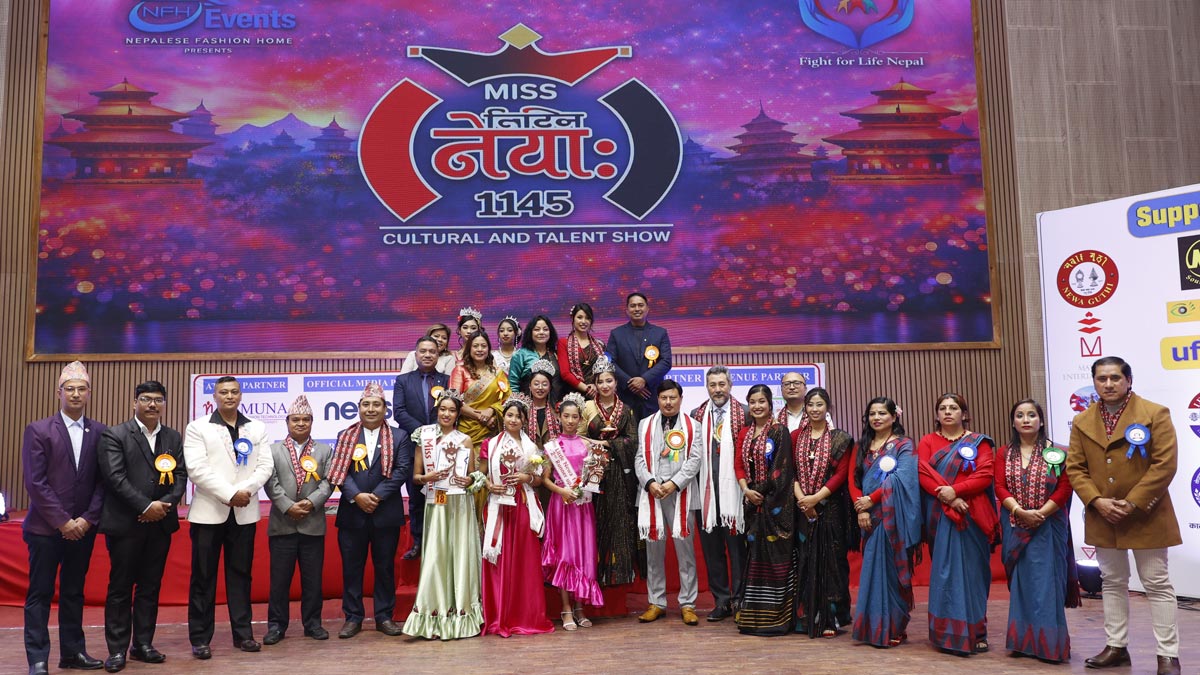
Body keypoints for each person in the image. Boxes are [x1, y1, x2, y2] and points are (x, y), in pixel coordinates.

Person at [1065, 356, 1182, 675]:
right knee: (1112, 582)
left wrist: (1132, 503)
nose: (1108, 384)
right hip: (1103, 515)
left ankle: (1167, 655)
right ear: (1095, 382)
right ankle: (1116, 647)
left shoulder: (1154, 413)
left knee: (1156, 583)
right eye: (1102, 379)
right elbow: (1075, 468)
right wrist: (1096, 500)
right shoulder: (1082, 420)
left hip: (1147, 514)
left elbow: (1164, 465)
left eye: (1115, 378)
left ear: (1129, 380)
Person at [22, 361, 107, 675]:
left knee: (73, 592)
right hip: (45, 530)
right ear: (59, 393)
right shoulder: (39, 430)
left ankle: (72, 653)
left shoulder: (99, 432)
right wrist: (63, 521)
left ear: (88, 393)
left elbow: (103, 483)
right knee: (40, 593)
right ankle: (38, 658)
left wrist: (86, 520)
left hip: (83, 529)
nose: (75, 394)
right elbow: (35, 482)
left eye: (81, 389)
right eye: (69, 389)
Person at [96, 380, 185, 672]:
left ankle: (143, 644)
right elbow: (115, 478)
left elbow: (181, 476)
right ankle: (118, 650)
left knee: (150, 587)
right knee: (121, 588)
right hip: (126, 524)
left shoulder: (172, 437)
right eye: (146, 399)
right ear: (134, 402)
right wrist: (146, 507)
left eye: (158, 400)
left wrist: (163, 507)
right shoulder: (116, 435)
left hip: (159, 525)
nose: (152, 404)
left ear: (164, 404)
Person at [183, 376, 274, 659]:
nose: (230, 396)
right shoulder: (198, 427)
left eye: (234, 392)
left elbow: (265, 465)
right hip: (209, 513)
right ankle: (200, 639)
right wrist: (229, 493)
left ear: (241, 395)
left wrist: (244, 491)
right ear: (215, 395)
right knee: (203, 578)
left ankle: (243, 635)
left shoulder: (256, 427)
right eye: (224, 392)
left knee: (241, 576)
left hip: (245, 511)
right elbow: (196, 469)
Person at [995, 399, 1078, 663]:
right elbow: (999, 486)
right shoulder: (1003, 454)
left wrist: (1042, 513)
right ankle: (1022, 642)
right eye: (1020, 415)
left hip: (1048, 526)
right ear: (1013, 422)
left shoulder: (1058, 452)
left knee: (1047, 584)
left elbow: (1066, 487)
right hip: (1015, 525)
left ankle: (1049, 646)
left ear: (1041, 421)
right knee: (1022, 584)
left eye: (1032, 415)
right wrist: (1020, 511)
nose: (1026, 419)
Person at [328, 383, 412, 639]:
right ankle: (353, 618)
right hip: (353, 513)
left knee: (384, 567)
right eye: (366, 404)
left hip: (385, 513)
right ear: (359, 408)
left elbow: (401, 471)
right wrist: (357, 496)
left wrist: (375, 496)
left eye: (377, 404)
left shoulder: (400, 437)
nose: (371, 409)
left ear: (385, 409)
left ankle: (384, 616)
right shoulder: (345, 435)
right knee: (352, 568)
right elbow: (339, 471)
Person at [916, 393, 997, 655]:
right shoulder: (928, 441)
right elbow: (923, 473)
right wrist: (949, 499)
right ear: (936, 414)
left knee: (974, 575)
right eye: (942, 408)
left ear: (964, 413)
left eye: (954, 408)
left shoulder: (979, 442)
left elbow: (985, 474)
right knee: (945, 574)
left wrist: (957, 492)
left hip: (972, 517)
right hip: (941, 516)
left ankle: (977, 631)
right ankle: (945, 634)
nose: (948, 412)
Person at [404, 390, 484, 640]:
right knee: (437, 556)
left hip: (460, 504)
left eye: (451, 410)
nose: (446, 414)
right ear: (437, 411)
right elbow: (416, 477)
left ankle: (461, 615)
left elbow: (475, 477)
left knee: (460, 555)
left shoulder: (465, 440)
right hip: (436, 501)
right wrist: (427, 478)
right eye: (443, 409)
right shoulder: (424, 436)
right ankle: (433, 614)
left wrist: (468, 479)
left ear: (458, 414)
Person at [849, 397, 922, 648]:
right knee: (872, 572)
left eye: (882, 413)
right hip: (868, 518)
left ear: (894, 416)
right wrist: (861, 507)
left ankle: (894, 626)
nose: (877, 418)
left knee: (892, 573)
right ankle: (873, 627)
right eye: (872, 414)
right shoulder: (862, 445)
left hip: (893, 518)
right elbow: (854, 478)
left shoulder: (904, 445)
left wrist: (872, 499)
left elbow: (904, 478)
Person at [479, 396, 553, 637]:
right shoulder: (489, 446)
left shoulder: (532, 448)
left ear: (524, 420)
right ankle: (500, 616)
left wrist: (526, 478)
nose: (513, 419)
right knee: (499, 559)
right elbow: (479, 476)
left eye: (517, 416)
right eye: (509, 415)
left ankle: (526, 615)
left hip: (522, 506)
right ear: (504, 418)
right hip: (499, 508)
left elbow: (540, 480)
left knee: (524, 562)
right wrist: (490, 486)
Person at [263, 395, 333, 645]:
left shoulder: (325, 450)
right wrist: (287, 506)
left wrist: (312, 502)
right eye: (296, 419)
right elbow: (270, 483)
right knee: (279, 580)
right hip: (282, 524)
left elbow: (329, 481)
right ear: (287, 422)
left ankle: (313, 624)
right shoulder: (273, 450)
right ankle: (276, 626)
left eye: (305, 419)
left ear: (312, 422)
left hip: (313, 524)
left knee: (313, 580)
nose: (300, 423)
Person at [634, 380, 703, 625]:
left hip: (680, 493)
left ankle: (688, 603)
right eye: (663, 398)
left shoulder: (693, 426)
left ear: (681, 398)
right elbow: (639, 459)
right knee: (654, 552)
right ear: (658, 399)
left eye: (673, 398)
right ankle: (657, 602)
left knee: (685, 552)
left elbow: (695, 461)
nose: (668, 402)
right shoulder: (645, 425)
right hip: (652, 494)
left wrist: (673, 484)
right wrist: (650, 482)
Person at [791, 387, 857, 638]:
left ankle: (834, 614)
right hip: (803, 508)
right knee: (806, 559)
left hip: (830, 508)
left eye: (820, 404)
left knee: (833, 561)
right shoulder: (796, 436)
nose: (815, 409)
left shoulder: (840, 438)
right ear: (805, 408)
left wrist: (816, 498)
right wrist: (803, 500)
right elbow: (791, 471)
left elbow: (841, 474)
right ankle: (810, 611)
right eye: (811, 405)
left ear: (828, 407)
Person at [733, 384, 795, 636]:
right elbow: (738, 464)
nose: (757, 406)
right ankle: (753, 617)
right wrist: (746, 490)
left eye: (762, 401)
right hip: (753, 506)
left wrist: (761, 494)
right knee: (754, 558)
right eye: (753, 401)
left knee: (777, 560)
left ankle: (777, 619)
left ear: (770, 404)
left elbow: (781, 470)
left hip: (776, 507)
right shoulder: (744, 432)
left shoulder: (780, 431)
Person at [688, 365, 747, 622]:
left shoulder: (744, 412)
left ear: (730, 384)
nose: (717, 389)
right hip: (706, 495)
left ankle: (740, 601)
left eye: (722, 384)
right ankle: (721, 601)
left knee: (738, 551)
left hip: (736, 494)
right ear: (707, 387)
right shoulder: (696, 414)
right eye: (713, 385)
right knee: (712, 552)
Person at [541, 393, 605, 630]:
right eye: (565, 416)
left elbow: (595, 476)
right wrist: (561, 491)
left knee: (583, 555)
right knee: (565, 556)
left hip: (583, 506)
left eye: (574, 417)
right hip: (561, 506)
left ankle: (580, 607)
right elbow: (545, 479)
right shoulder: (552, 446)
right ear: (559, 417)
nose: (569, 420)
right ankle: (566, 608)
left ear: (580, 419)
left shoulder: (587, 445)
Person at [582, 356, 642, 587]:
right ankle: (594, 571)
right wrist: (590, 445)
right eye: (600, 381)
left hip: (618, 471)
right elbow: (578, 435)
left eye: (609, 381)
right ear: (594, 384)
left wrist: (606, 444)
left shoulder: (626, 410)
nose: (605, 385)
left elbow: (632, 441)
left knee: (619, 518)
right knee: (594, 518)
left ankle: (619, 572)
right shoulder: (587, 407)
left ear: (616, 383)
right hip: (592, 468)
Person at [393, 335, 450, 560]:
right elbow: (399, 412)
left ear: (438, 355)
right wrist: (424, 432)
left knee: (442, 491)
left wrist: (436, 432)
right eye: (423, 351)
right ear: (415, 355)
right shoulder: (403, 380)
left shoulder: (447, 380)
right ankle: (419, 541)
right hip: (413, 445)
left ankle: (442, 540)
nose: (427, 355)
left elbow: (451, 409)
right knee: (416, 495)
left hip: (443, 444)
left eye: (432, 351)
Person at [607, 292, 671, 419]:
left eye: (640, 305)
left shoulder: (660, 333)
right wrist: (631, 383)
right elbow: (610, 362)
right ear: (627, 310)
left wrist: (644, 380)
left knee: (652, 436)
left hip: (651, 395)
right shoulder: (616, 334)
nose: (637, 309)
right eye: (633, 306)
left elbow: (666, 361)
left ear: (647, 308)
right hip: (625, 397)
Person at [450, 331, 510, 447]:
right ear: (469, 349)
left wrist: (492, 411)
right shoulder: (459, 371)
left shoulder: (497, 372)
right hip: (467, 431)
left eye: (483, 346)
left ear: (488, 349)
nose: (480, 349)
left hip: (492, 429)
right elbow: (454, 401)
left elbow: (507, 399)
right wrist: (481, 417)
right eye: (475, 346)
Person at [558, 302, 604, 399]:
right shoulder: (563, 343)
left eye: (587, 318)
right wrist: (587, 389)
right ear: (573, 319)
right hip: (573, 396)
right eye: (579, 317)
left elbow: (604, 371)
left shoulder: (599, 345)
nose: (584, 321)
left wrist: (595, 386)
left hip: (597, 393)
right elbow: (565, 374)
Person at [509, 314, 561, 400]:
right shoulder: (520, 354)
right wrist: (517, 404)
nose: (541, 332)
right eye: (537, 329)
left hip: (554, 406)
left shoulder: (556, 354)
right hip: (527, 405)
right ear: (530, 332)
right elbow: (513, 384)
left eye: (545, 329)